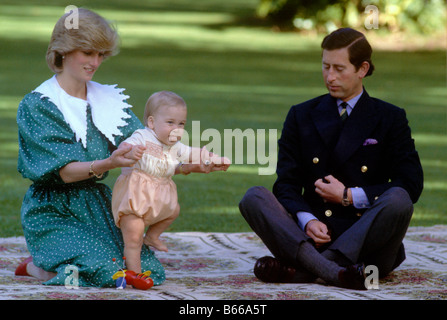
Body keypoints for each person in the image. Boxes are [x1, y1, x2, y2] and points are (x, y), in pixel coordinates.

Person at [14, 8, 211, 289]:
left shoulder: (110, 100)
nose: (95, 62)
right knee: (102, 269)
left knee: (147, 270)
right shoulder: (38, 104)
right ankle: (38, 268)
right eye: (88, 52)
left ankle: (63, 264)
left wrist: (186, 165)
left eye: (101, 54)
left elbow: (149, 150)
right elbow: (65, 174)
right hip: (52, 208)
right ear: (64, 50)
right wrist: (110, 162)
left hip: (97, 204)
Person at [239, 28, 423, 290]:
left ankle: (305, 270)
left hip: (367, 240)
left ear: (362, 69)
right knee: (254, 197)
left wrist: (349, 195)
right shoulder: (301, 115)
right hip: (312, 236)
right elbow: (286, 184)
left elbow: (411, 184)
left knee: (399, 200)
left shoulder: (390, 118)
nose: (330, 77)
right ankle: (336, 274)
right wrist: (307, 220)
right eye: (325, 67)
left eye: (339, 68)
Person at [112, 91, 230, 273]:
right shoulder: (142, 137)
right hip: (135, 194)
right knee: (134, 236)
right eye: (170, 123)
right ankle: (135, 274)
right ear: (151, 123)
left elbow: (194, 152)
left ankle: (151, 236)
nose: (177, 129)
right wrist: (131, 151)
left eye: (181, 124)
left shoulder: (175, 147)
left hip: (160, 194)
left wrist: (215, 158)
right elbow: (124, 148)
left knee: (174, 210)